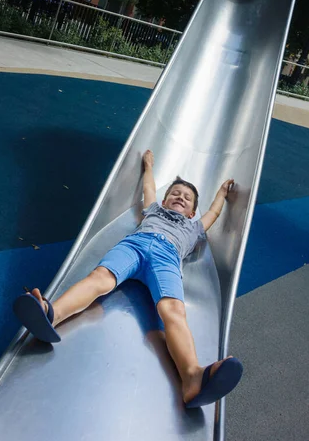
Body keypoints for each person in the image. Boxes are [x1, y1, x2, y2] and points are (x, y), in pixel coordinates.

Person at [13, 149, 243, 408]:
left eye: (187, 198)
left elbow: (212, 213)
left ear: (192, 212)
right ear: (165, 201)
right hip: (134, 245)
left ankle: (192, 377)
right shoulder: (153, 209)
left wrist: (222, 194)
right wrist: (148, 167)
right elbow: (149, 188)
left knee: (174, 310)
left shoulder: (195, 226)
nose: (180, 197)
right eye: (175, 194)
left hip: (167, 258)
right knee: (100, 278)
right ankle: (50, 314)